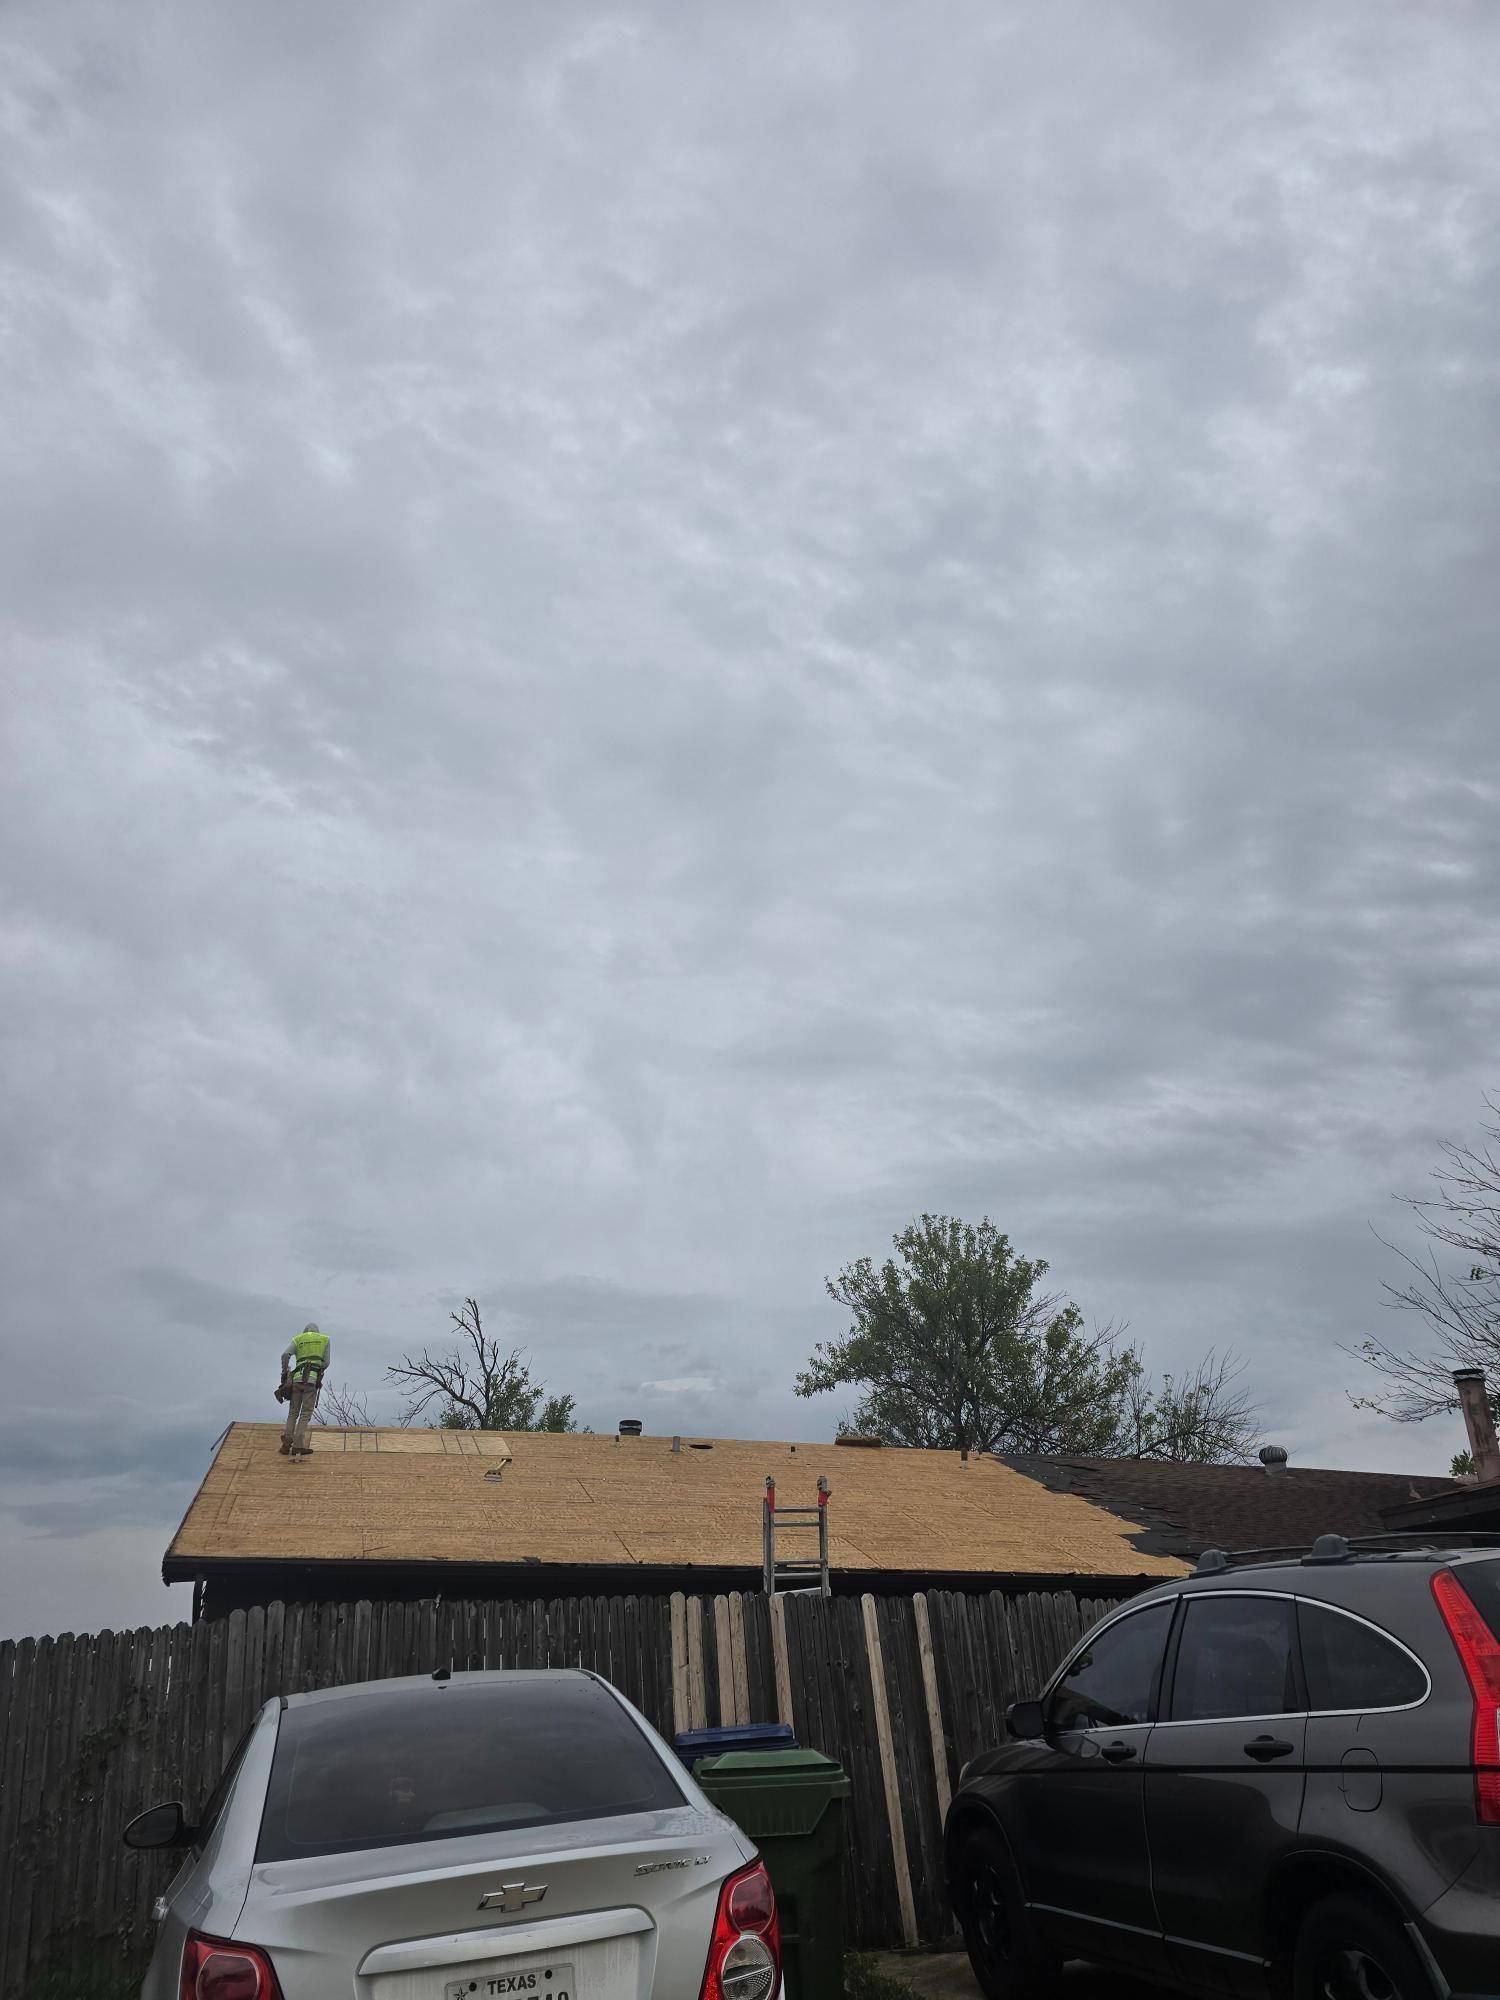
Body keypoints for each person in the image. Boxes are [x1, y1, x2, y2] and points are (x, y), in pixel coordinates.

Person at [277, 1322, 330, 1455]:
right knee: (305, 1413)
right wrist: (318, 1370)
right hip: (311, 1381)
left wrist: (284, 1373)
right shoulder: (325, 1339)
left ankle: (286, 1442)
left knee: (293, 1412)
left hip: (296, 1381)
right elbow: (326, 1362)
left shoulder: (298, 1339)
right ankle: (298, 1445)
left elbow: (285, 1355)